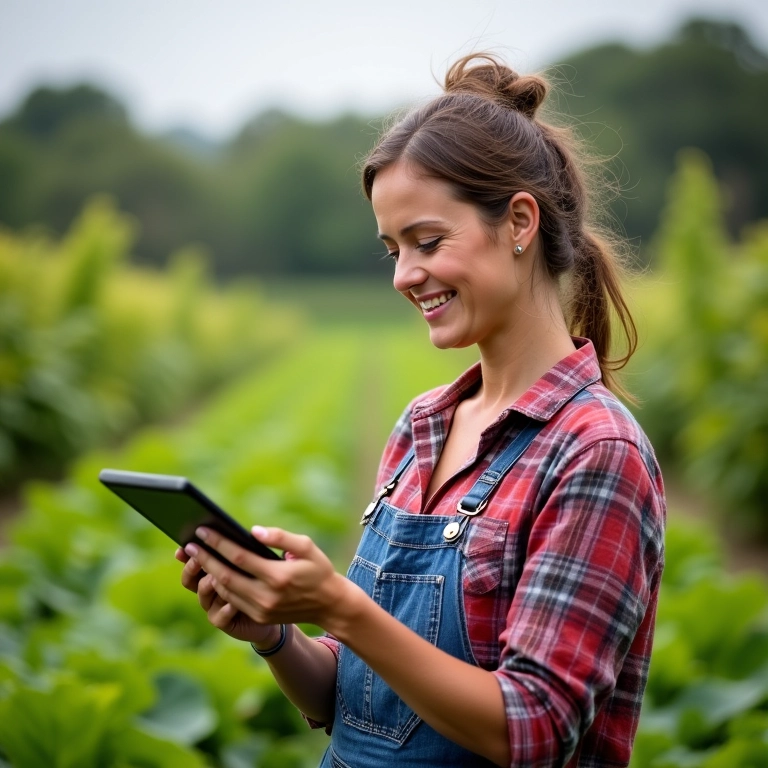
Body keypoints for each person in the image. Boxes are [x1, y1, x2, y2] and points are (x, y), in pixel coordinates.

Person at [176, 53, 665, 768]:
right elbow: (354, 699)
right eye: (393, 249)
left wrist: (344, 607)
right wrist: (274, 636)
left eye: (428, 241)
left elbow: (533, 730)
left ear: (519, 221)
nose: (405, 275)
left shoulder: (595, 450)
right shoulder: (422, 425)